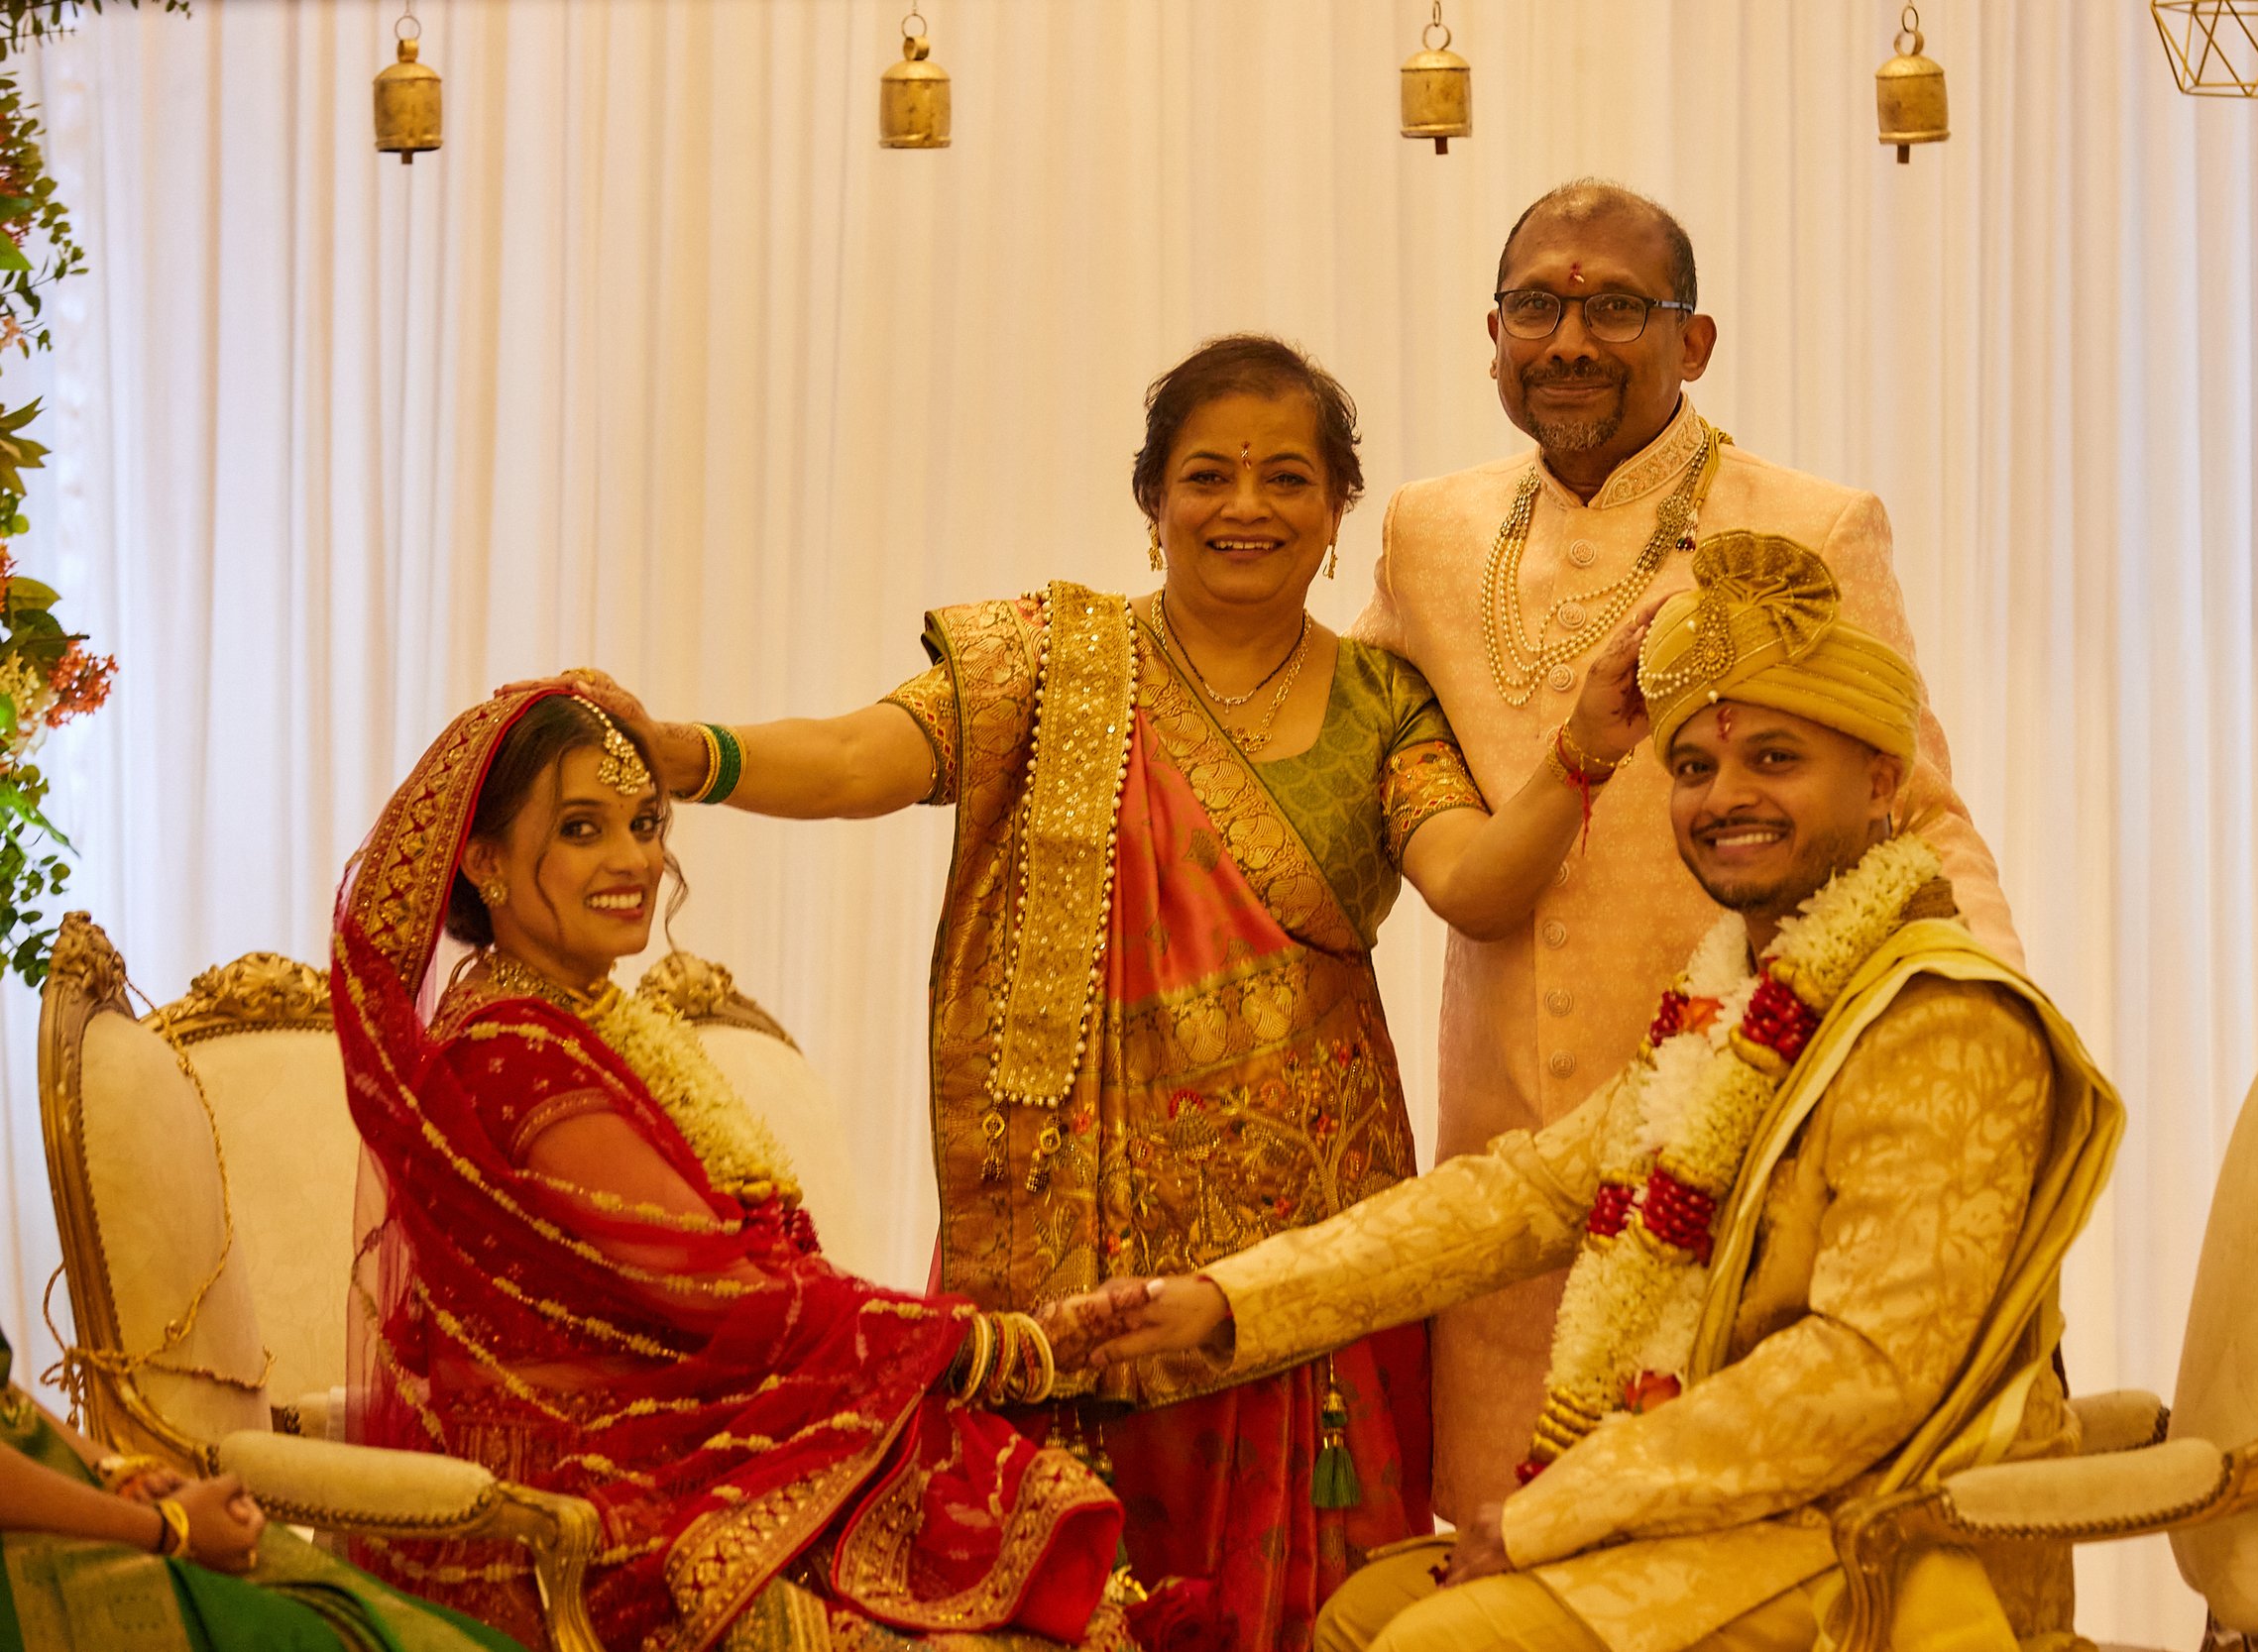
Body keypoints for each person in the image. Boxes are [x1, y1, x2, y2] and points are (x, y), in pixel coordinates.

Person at [574, 334, 1655, 1651]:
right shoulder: (1052, 662)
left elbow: (1475, 883)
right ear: (1152, 505)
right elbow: (868, 753)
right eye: (1207, 475)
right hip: (1070, 1230)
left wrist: (1584, 754)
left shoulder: (1382, 699)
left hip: (1307, 1240)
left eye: (1285, 479)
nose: (1244, 505)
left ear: (1335, 514)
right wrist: (690, 752)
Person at [1058, 536, 2123, 1652]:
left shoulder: (1939, 1019)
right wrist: (1223, 1298)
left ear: (1878, 785)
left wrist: (1553, 1509)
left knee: (1432, 1639)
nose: (1726, 798)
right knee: (1369, 1609)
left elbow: (1864, 1374)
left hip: (1887, 1535)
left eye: (1775, 758)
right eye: (1698, 768)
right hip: (1754, 1515)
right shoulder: (1742, 1002)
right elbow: (1517, 1194)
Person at [1354, 176, 2024, 1515]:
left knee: (1717, 1546)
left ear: (1693, 340)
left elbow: (1915, 800)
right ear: (1492, 333)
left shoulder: (1810, 524)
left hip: (1748, 1124)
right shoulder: (1430, 531)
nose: (1571, 340)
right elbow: (1343, 750)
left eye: (1616, 306)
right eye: (1537, 304)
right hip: (1510, 1139)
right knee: (1504, 1541)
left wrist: (1988, 1019)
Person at [331, 688, 1128, 1652]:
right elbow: (717, 1284)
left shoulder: (590, 1022)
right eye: (583, 828)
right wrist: (984, 1342)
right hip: (581, 1496)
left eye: (645, 823)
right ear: (483, 859)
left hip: (674, 1438)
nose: (632, 859)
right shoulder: (510, 1054)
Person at [0, 1328, 523, 1650]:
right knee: (294, 1633)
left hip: (75, 1492)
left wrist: (118, 1468)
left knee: (354, 1601)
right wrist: (167, 1529)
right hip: (33, 1546)